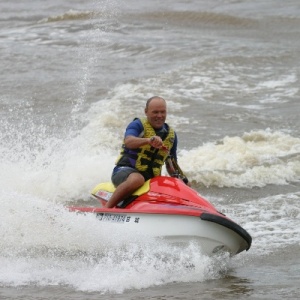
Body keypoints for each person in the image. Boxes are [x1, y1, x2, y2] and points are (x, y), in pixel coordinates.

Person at [105, 96, 189, 208]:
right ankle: (107, 209)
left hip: (150, 180)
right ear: (146, 112)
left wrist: (184, 183)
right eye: (155, 112)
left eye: (162, 112)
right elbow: (129, 141)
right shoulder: (137, 125)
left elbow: (172, 164)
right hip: (124, 172)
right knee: (137, 179)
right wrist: (148, 140)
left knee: (179, 184)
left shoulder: (171, 136)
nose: (159, 116)